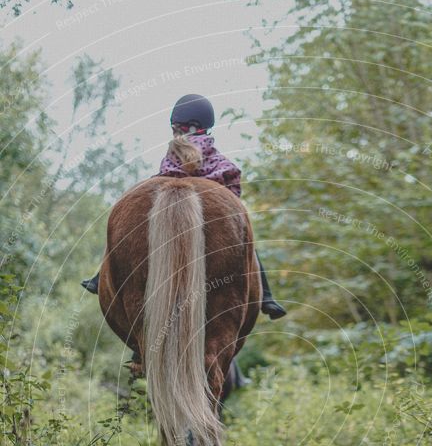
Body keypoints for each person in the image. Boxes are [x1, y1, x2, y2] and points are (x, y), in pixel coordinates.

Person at [82, 93, 286, 320]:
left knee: (125, 234)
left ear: (175, 126)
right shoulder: (214, 154)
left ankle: (100, 278)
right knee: (247, 245)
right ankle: (267, 297)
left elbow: (166, 178)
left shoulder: (174, 150)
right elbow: (233, 184)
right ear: (205, 126)